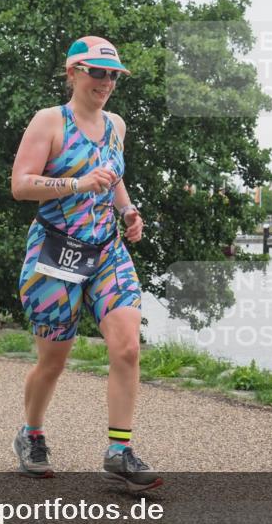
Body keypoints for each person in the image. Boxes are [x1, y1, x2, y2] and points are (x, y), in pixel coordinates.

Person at [10, 35, 160, 492]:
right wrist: (75, 185)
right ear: (73, 72)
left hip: (106, 250)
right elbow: (20, 185)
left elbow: (111, 179)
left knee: (128, 346)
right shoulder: (49, 121)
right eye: (97, 72)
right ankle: (31, 433)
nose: (106, 82)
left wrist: (128, 211)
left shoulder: (116, 125)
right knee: (53, 360)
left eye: (113, 74)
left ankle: (119, 450)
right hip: (55, 252)